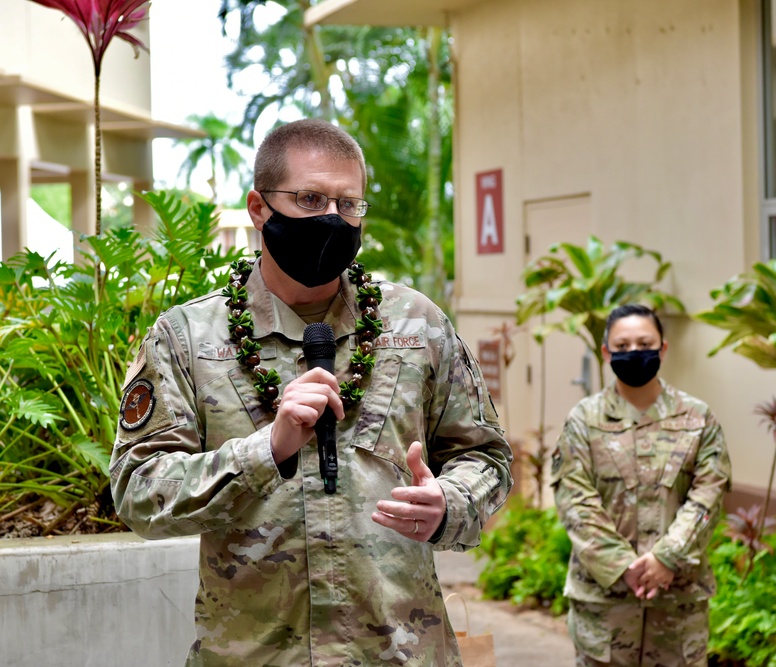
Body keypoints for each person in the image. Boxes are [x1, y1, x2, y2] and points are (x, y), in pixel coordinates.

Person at [109, 118, 513, 667]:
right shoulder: (187, 338)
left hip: (398, 653)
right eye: (309, 198)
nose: (331, 218)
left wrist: (451, 501)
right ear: (259, 208)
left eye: (349, 205)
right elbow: (138, 492)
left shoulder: (418, 325)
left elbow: (485, 456)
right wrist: (265, 452)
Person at [551, 303, 731, 667]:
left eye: (644, 343)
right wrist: (623, 566)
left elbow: (708, 496)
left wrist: (668, 556)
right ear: (606, 353)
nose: (634, 353)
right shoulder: (584, 421)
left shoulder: (698, 418)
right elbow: (575, 500)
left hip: (677, 605)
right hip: (605, 607)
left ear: (663, 348)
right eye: (622, 346)